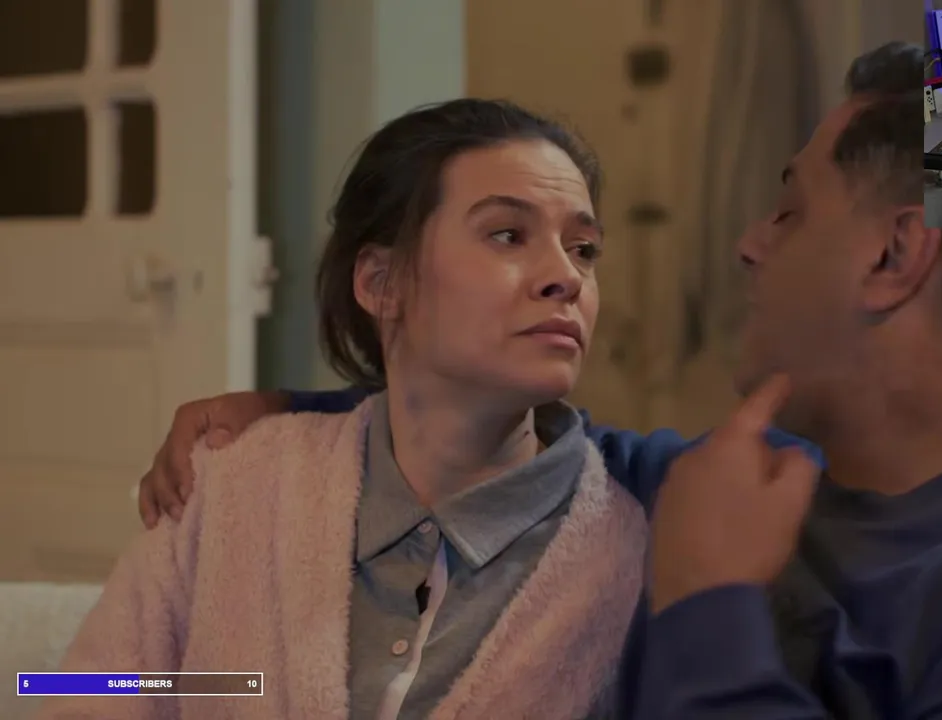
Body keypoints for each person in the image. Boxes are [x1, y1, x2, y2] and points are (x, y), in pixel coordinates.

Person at [137, 44, 942, 719]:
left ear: (891, 256)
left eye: (789, 211)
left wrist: (711, 605)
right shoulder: (728, 482)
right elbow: (496, 446)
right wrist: (289, 421)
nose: (748, 244)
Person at [45, 98, 677, 720]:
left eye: (584, 248)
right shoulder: (234, 484)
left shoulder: (640, 551)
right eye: (508, 235)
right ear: (381, 283)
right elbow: (81, 688)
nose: (566, 276)